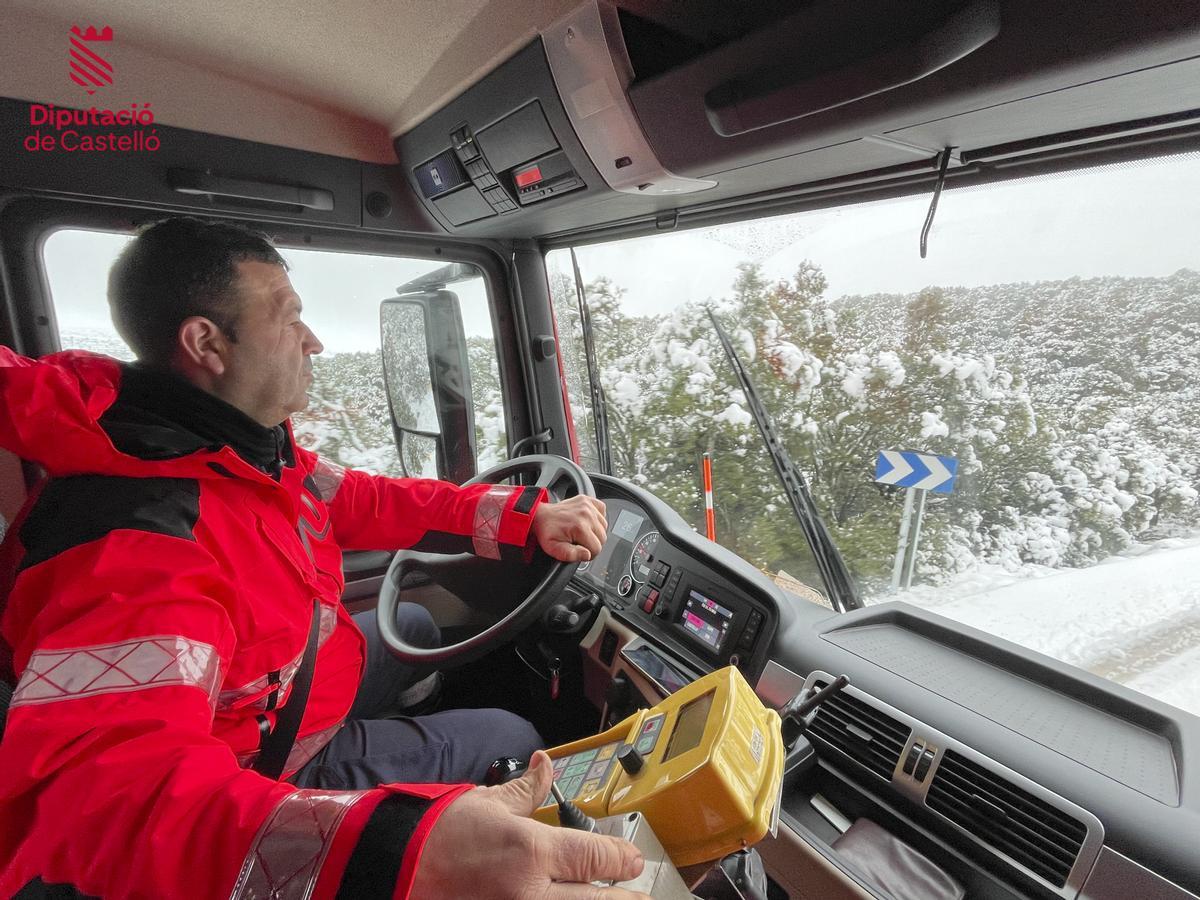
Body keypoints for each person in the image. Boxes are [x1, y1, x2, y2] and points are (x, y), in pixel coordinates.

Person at [0, 217, 650, 899]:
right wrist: (397, 854)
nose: (313, 341)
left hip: (298, 694)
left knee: (421, 628)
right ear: (206, 344)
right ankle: (422, 780)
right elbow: (115, 814)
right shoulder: (139, 543)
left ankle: (409, 750)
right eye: (289, 319)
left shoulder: (237, 452)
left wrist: (526, 515)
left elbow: (367, 500)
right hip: (264, 770)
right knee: (509, 730)